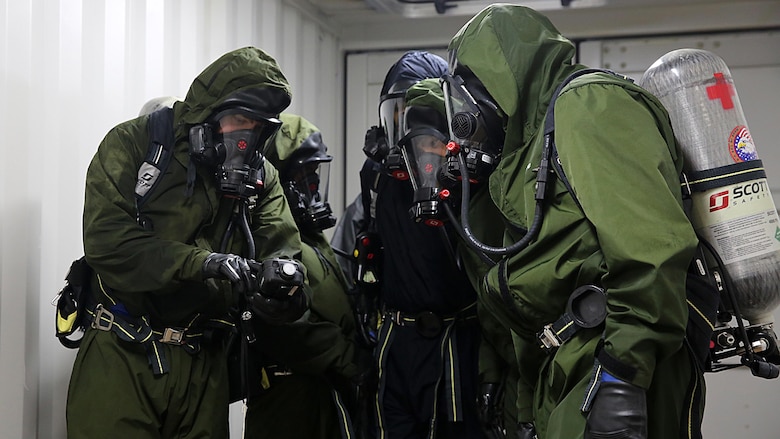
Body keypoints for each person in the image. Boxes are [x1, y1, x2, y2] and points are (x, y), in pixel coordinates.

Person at [442, 5, 706, 439]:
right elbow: (530, 284)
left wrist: (622, 375)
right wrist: (528, 404)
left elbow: (650, 251)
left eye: (474, 91)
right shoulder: (526, 150)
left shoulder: (588, 104)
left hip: (614, 357)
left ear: (503, 79)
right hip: (566, 365)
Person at [66, 46, 309, 439]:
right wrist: (203, 263)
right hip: (123, 352)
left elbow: (282, 248)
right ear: (207, 116)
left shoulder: (260, 178)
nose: (245, 140)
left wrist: (285, 291)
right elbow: (108, 242)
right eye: (238, 121)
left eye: (257, 127)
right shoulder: (132, 145)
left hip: (203, 364)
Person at [335, 50, 487, 439]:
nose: (408, 128)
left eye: (417, 115)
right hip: (395, 339)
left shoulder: (468, 176)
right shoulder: (376, 177)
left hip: (456, 341)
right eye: (399, 113)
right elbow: (358, 245)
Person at [243, 113, 359, 439]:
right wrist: (350, 359)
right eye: (304, 173)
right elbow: (283, 326)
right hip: (287, 398)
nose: (314, 184)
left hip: (325, 391)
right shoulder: (261, 237)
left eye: (316, 171)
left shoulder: (310, 235)